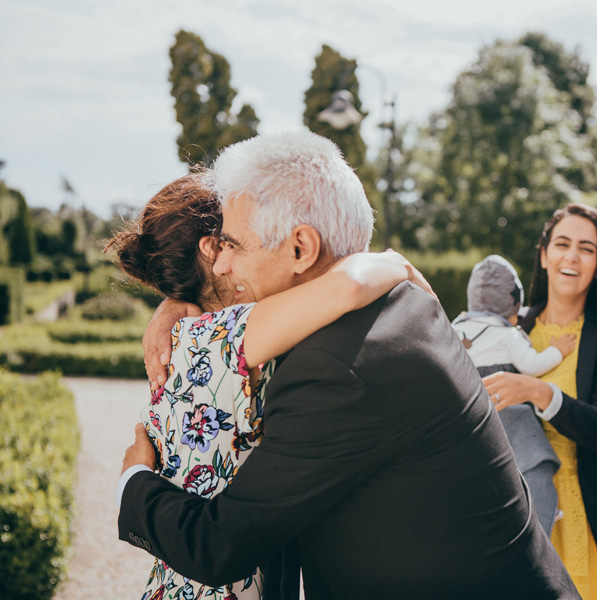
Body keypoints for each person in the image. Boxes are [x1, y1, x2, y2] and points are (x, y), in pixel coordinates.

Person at [117, 131, 579, 600]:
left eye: (234, 244)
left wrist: (134, 481)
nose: (221, 266)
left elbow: (219, 545)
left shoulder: (336, 367)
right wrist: (179, 304)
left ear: (301, 248)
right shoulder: (405, 301)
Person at [107, 172, 432, 600]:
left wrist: (169, 303)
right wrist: (397, 263)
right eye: (242, 236)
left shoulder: (192, 333)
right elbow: (343, 287)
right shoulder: (227, 335)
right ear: (213, 248)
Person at [483, 203, 597, 599]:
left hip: (582, 514)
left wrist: (538, 392)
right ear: (544, 254)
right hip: (515, 509)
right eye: (563, 244)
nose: (572, 256)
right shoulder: (512, 328)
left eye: (586, 249)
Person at [451, 254, 576, 535]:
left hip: (466, 417)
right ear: (514, 302)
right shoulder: (509, 334)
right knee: (535, 465)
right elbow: (532, 366)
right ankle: (543, 515)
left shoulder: (452, 329)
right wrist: (558, 350)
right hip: (507, 411)